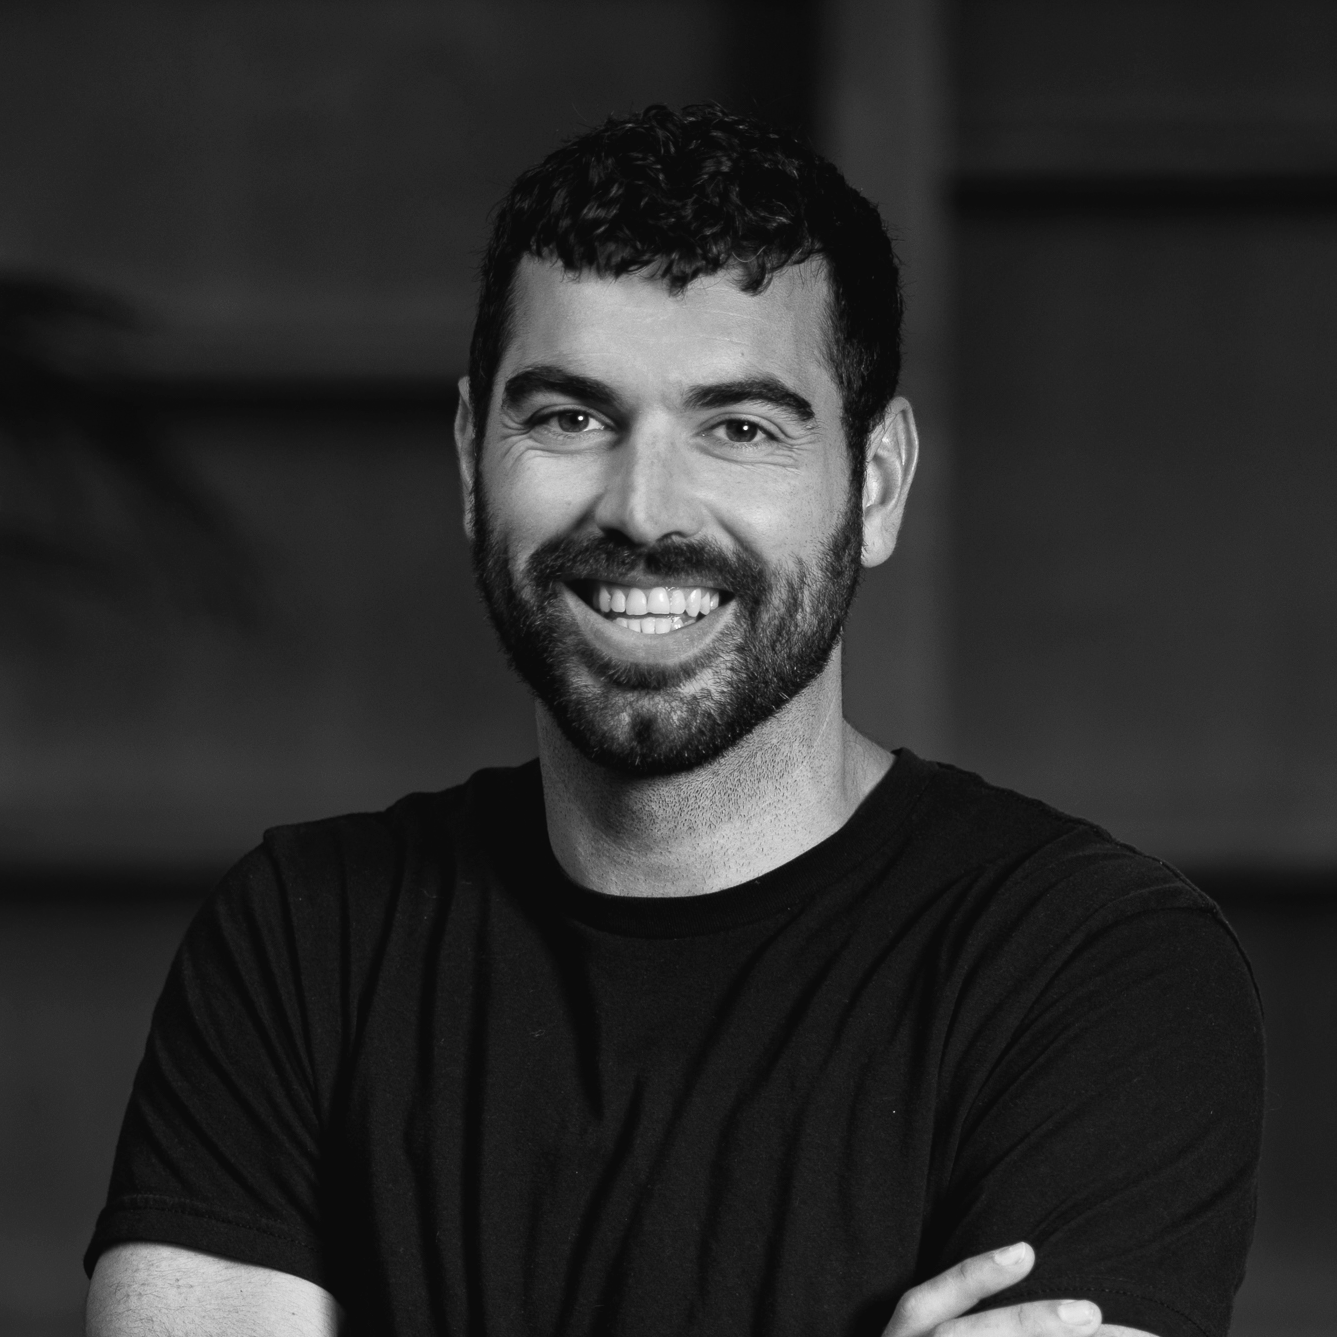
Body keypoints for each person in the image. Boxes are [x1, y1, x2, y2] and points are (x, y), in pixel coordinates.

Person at [84, 105, 1263, 1337]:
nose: (644, 507)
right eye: (568, 417)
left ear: (874, 482)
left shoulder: (1088, 966)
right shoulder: (301, 938)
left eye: (739, 427)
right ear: (468, 460)